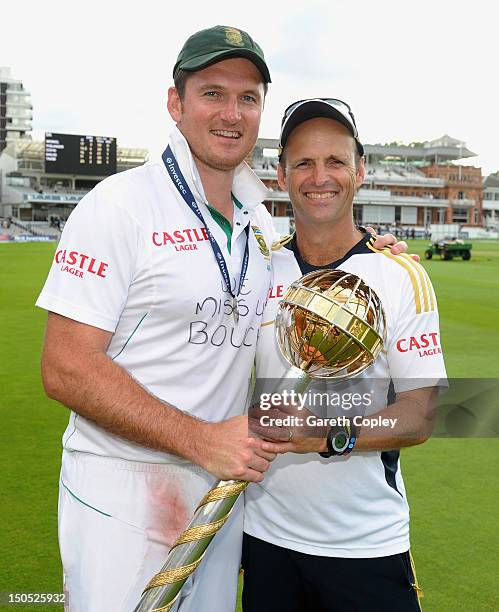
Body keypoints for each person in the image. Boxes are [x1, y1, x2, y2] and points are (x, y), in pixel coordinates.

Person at [36, 27, 407, 612]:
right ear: (175, 103)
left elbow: (421, 407)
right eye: (212, 93)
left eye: (248, 98)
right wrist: (198, 439)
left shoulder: (261, 225)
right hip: (124, 484)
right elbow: (64, 367)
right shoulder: (117, 204)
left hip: (227, 489)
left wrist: (370, 251)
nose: (231, 113)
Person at [242, 99, 447, 612]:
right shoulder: (258, 267)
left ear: (359, 171)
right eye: (303, 163)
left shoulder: (400, 275)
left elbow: (420, 415)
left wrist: (324, 435)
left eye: (335, 161)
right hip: (264, 538)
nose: (319, 177)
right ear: (281, 174)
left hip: (365, 544)